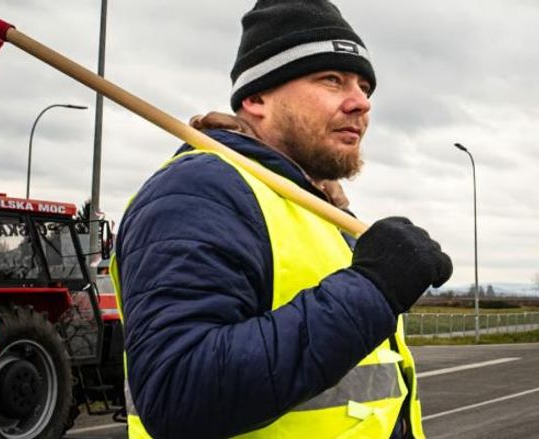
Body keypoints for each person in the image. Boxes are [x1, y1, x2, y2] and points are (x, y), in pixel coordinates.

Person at [112, 1, 453, 438]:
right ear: (256, 99)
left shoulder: (314, 206)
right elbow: (179, 391)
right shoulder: (199, 192)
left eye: (364, 86)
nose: (361, 103)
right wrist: (373, 289)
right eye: (332, 80)